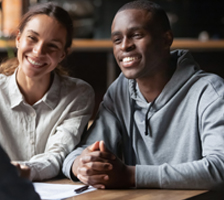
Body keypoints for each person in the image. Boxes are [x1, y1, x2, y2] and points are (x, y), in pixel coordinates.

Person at [63, 0, 224, 189]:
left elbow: (220, 167)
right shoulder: (120, 91)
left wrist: (131, 175)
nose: (124, 46)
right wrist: (79, 165)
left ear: (166, 39)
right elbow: (84, 150)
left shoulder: (210, 91)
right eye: (117, 40)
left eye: (136, 35)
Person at [0, 2, 94, 181]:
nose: (38, 51)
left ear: (63, 54)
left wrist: (22, 171)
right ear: (18, 39)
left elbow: (57, 154)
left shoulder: (78, 95)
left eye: (52, 46)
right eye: (32, 38)